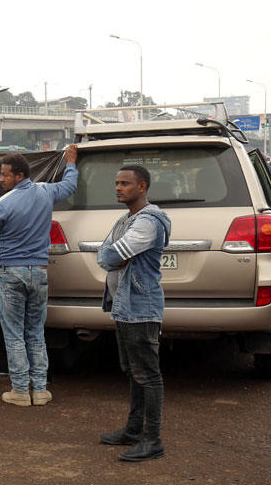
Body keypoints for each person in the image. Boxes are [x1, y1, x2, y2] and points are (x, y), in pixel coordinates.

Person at [0, 145, 78, 407]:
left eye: (4, 174)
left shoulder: (3, 204)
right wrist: (71, 162)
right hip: (40, 272)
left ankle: (21, 391)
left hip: (11, 273)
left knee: (14, 334)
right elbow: (69, 186)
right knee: (35, 332)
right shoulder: (46, 192)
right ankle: (41, 391)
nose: (1, 179)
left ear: (19, 176)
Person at [97, 165, 171, 462]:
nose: (118, 188)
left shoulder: (149, 222)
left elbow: (111, 255)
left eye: (125, 183)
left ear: (142, 187)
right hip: (126, 308)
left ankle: (152, 440)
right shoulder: (126, 218)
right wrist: (116, 256)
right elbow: (107, 253)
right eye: (116, 183)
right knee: (133, 372)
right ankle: (133, 430)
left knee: (148, 376)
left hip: (140, 309)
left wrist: (117, 256)